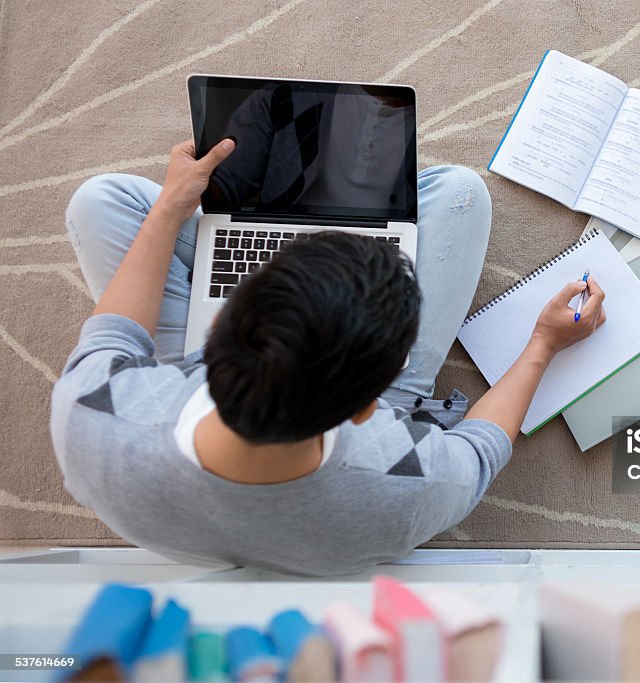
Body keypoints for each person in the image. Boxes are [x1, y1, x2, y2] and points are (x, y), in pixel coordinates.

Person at [50, 139, 605, 576]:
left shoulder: (93, 409)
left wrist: (174, 202)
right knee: (459, 192)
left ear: (220, 323)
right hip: (343, 445)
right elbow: (480, 448)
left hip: (182, 436)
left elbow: (118, 329)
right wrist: (543, 345)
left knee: (101, 200)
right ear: (369, 408)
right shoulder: (409, 481)